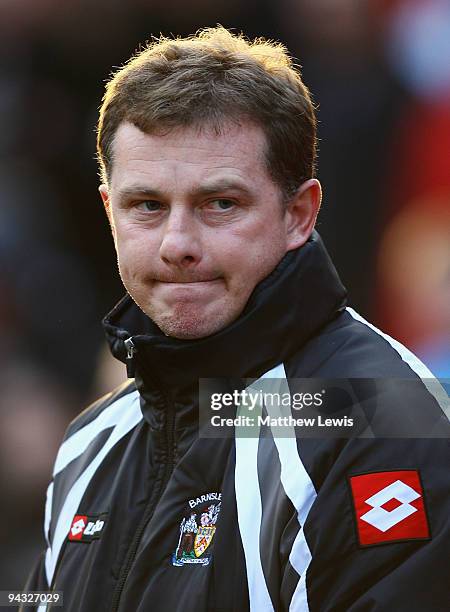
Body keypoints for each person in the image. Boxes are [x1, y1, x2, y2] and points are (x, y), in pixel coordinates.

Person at [23, 27, 449, 611]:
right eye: (146, 205)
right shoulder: (89, 444)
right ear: (108, 210)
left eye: (220, 203)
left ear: (300, 214)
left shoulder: (383, 421)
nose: (178, 243)